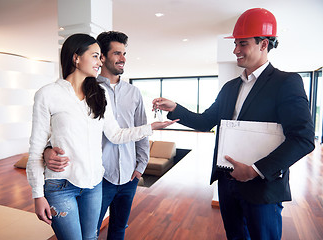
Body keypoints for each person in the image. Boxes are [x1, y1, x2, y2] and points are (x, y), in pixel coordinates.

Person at [153, 8, 315, 240]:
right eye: (236, 43)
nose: (236, 50)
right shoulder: (230, 87)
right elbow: (205, 121)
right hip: (228, 183)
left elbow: (303, 138)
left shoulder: (286, 82)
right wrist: (175, 108)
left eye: (243, 43)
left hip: (262, 187)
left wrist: (254, 171)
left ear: (264, 45)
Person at [26, 33, 177, 240]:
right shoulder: (48, 94)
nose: (100, 62)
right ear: (76, 57)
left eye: (100, 56)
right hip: (60, 186)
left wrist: (150, 127)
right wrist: (37, 194)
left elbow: (115, 135)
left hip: (94, 184)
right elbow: (36, 148)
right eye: (95, 56)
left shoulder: (99, 94)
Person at [44, 31, 150, 239]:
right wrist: (47, 150)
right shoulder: (85, 89)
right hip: (97, 178)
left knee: (119, 227)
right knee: (89, 233)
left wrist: (140, 166)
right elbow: (60, 129)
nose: (123, 59)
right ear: (103, 56)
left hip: (129, 175)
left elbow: (140, 130)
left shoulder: (134, 92)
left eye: (124, 53)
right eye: (117, 53)